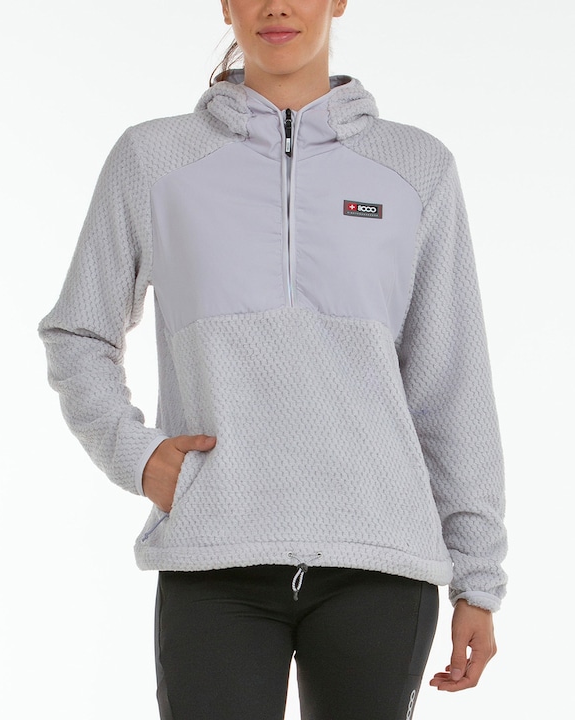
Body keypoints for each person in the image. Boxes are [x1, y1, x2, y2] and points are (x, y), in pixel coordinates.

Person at [39, 1, 507, 718]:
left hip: (379, 560)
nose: (277, 6)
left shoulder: (417, 168)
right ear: (226, 5)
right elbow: (78, 332)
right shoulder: (153, 159)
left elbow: (451, 381)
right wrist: (137, 456)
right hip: (214, 556)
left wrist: (477, 577)